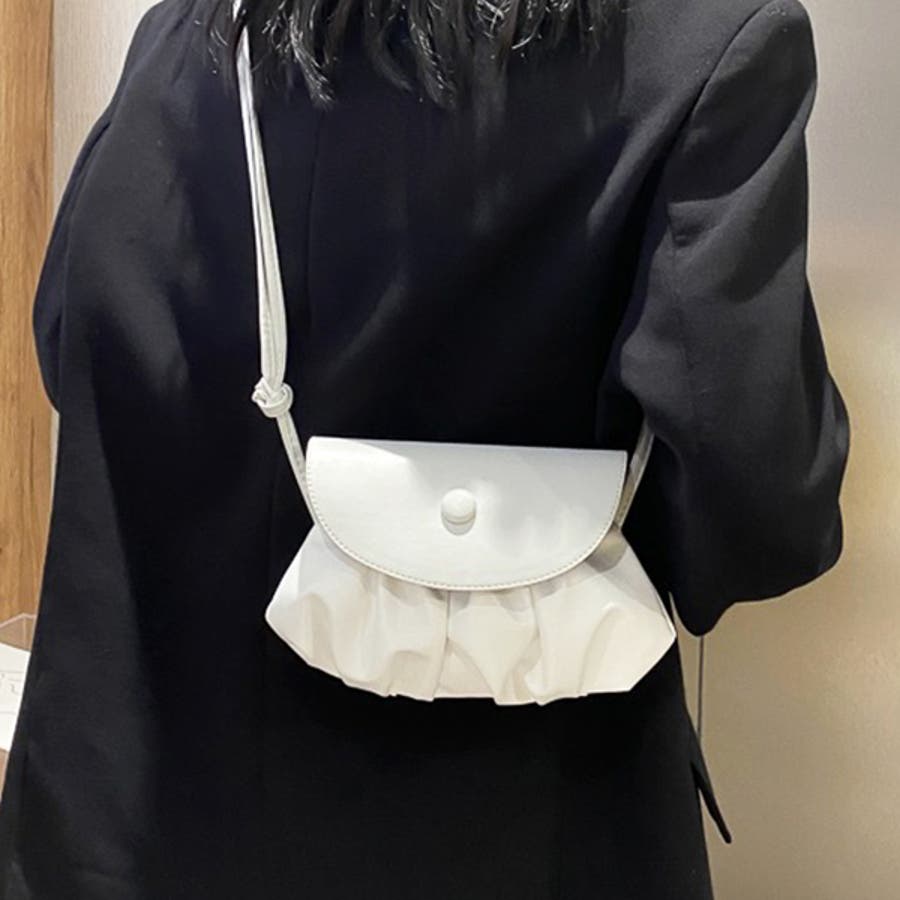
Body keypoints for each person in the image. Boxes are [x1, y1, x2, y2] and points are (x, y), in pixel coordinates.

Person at [0, 0, 850, 896]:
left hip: (137, 822)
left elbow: (71, 349)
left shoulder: (190, 37)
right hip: (518, 830)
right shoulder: (706, 44)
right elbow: (760, 514)